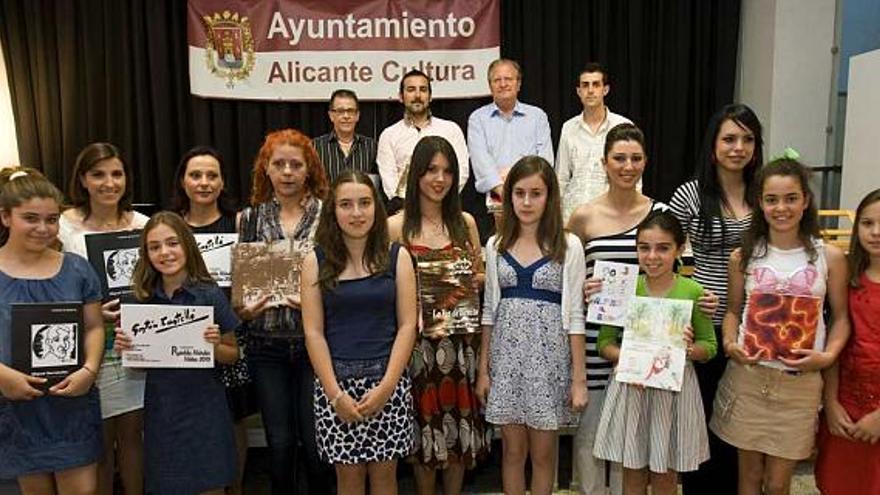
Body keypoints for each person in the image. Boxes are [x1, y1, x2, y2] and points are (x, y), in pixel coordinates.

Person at [567, 123, 718, 495]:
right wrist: (584, 287)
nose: (627, 165)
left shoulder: (661, 213)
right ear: (604, 162)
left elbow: (685, 276)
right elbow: (569, 278)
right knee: (593, 443)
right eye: (619, 158)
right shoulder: (583, 217)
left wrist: (704, 302)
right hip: (601, 345)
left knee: (638, 455)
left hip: (657, 359)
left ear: (646, 162)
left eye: (635, 158)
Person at [710, 157, 850, 495]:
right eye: (771, 199)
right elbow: (732, 311)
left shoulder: (827, 256)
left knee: (777, 484)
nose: (781, 208)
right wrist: (730, 342)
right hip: (749, 377)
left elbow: (842, 318)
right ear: (760, 203)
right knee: (749, 479)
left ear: (805, 201)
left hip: (798, 385)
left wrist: (827, 356)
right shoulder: (744, 256)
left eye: (790, 198)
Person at [476, 156, 588, 495]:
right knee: (511, 452)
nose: (526, 202)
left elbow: (576, 316)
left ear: (550, 196)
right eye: (519, 193)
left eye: (536, 193)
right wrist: (484, 370)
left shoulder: (569, 245)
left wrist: (579, 379)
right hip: (507, 364)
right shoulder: (496, 246)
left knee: (543, 455)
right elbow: (488, 314)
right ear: (508, 197)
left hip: (549, 363)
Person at [301, 170, 418, 495]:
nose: (356, 213)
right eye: (346, 204)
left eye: (364, 203)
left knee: (385, 480)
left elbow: (408, 325)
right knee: (348, 481)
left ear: (376, 208)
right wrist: (335, 394)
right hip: (336, 389)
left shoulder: (398, 257)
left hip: (387, 384)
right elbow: (313, 332)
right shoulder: (316, 261)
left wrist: (387, 387)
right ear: (333, 210)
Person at [387, 136, 489, 495]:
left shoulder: (466, 224)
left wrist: (474, 278)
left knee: (459, 435)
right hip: (416, 348)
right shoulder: (396, 227)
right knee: (423, 437)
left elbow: (479, 278)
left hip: (461, 345)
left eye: (447, 171)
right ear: (416, 174)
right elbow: (385, 289)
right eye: (431, 169)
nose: (439, 179)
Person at [670, 103, 764, 495]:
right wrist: (690, 295)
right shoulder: (690, 195)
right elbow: (663, 257)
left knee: (740, 423)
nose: (737, 147)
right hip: (702, 325)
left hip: (754, 325)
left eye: (747, 139)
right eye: (729, 138)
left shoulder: (764, 194)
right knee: (701, 418)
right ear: (713, 146)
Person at [236, 129, 333, 494]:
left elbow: (337, 278)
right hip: (266, 344)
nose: (288, 172)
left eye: (296, 164)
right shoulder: (249, 218)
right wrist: (248, 306)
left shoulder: (328, 216)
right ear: (266, 168)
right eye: (279, 164)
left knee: (315, 443)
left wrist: (313, 300)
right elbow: (241, 296)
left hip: (314, 346)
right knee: (278, 443)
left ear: (309, 169)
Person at [114, 211, 239, 494]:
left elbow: (233, 355)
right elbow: (138, 367)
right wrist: (127, 351)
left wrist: (215, 345)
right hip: (163, 411)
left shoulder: (209, 294)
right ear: (146, 254)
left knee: (211, 484)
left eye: (172, 243)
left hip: (206, 409)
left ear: (187, 245)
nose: (165, 252)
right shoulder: (140, 300)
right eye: (154, 247)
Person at [592, 211, 716, 495]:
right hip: (633, 390)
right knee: (632, 471)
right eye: (644, 248)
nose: (652, 256)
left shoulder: (694, 292)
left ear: (679, 249)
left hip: (673, 394)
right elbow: (605, 343)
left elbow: (709, 346)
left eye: (663, 248)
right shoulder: (624, 289)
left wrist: (687, 348)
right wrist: (631, 359)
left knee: (665, 473)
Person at [0, 167, 105, 494]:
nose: (43, 228)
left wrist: (89, 370)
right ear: (6, 217)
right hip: (16, 406)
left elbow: (94, 326)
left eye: (51, 219)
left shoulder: (77, 269)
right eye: (30, 218)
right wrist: (3, 376)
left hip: (71, 403)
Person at [57, 142, 147, 495]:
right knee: (99, 441)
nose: (109, 183)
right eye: (98, 174)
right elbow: (51, 286)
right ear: (82, 179)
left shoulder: (143, 224)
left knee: (132, 437)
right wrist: (89, 314)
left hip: (134, 344)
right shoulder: (63, 227)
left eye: (116, 174)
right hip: (86, 347)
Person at [171, 146, 255, 495]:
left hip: (229, 335)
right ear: (183, 181)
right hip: (181, 338)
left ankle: (233, 488)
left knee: (234, 421)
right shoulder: (170, 225)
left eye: (211, 175)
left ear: (222, 182)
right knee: (190, 421)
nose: (204, 183)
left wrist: (247, 307)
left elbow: (251, 280)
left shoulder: (239, 223)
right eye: (196, 175)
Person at [815, 188, 880, 494]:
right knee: (841, 481)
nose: (876, 232)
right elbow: (834, 343)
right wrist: (830, 402)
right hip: (846, 402)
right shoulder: (847, 276)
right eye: (867, 223)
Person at [468, 58, 554, 229]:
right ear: (490, 85)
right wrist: (506, 193)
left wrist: (525, 192)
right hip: (494, 206)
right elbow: (480, 161)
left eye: (508, 79)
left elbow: (545, 160)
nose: (503, 84)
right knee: (497, 251)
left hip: (534, 201)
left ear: (519, 83)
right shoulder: (477, 119)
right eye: (497, 80)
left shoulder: (537, 117)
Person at [376, 69, 469, 210]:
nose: (418, 95)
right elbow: (389, 181)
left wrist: (440, 199)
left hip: (445, 208)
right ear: (401, 96)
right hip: (404, 211)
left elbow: (461, 171)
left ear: (430, 96)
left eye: (423, 90)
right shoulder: (389, 135)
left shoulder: (451, 130)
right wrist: (409, 206)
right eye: (411, 90)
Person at [556, 63, 633, 222]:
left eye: (596, 85)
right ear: (578, 91)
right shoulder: (568, 128)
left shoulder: (623, 126)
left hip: (611, 215)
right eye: (585, 85)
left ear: (605, 90)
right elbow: (561, 178)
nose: (590, 90)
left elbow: (633, 177)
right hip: (572, 215)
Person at [312, 89, 379, 183]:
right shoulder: (315, 147)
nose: (346, 116)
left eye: (350, 111)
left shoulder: (372, 147)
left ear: (357, 115)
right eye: (340, 111)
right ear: (331, 115)